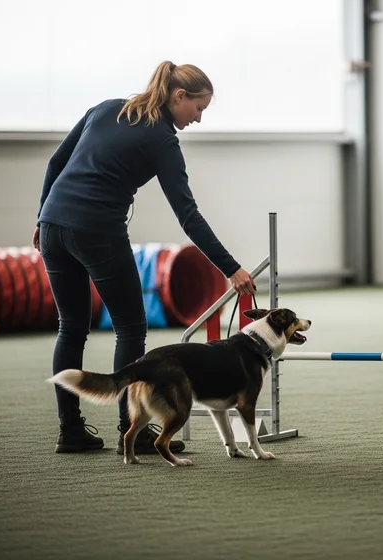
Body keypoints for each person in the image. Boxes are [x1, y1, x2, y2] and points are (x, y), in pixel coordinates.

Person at [34, 60, 256, 454]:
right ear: (179, 96)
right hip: (98, 231)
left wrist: (41, 219)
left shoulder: (105, 108)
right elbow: (188, 215)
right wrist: (231, 268)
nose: (199, 119)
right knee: (131, 329)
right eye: (198, 108)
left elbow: (55, 163)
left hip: (52, 225)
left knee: (71, 327)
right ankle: (128, 429)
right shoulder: (162, 140)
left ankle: (70, 431)